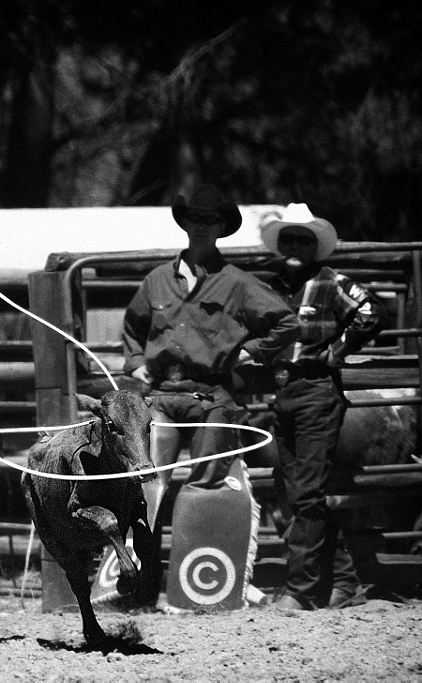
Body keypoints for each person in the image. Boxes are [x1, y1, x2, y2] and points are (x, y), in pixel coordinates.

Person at [122, 184, 300, 603]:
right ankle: (140, 587)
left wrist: (249, 352)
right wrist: (135, 362)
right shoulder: (156, 281)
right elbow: (132, 327)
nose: (201, 226)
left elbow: (286, 323)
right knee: (147, 483)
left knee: (206, 483)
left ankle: (198, 591)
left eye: (211, 220)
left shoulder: (237, 283)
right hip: (162, 394)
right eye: (195, 218)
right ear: (185, 223)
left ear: (221, 227)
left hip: (211, 393)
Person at [261, 203, 385, 610]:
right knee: (296, 489)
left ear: (315, 247)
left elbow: (371, 310)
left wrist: (338, 350)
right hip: (285, 392)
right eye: (289, 239)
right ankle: (344, 582)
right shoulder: (273, 286)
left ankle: (301, 589)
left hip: (316, 389)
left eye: (304, 239)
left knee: (306, 491)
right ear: (281, 245)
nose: (296, 245)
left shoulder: (331, 281)